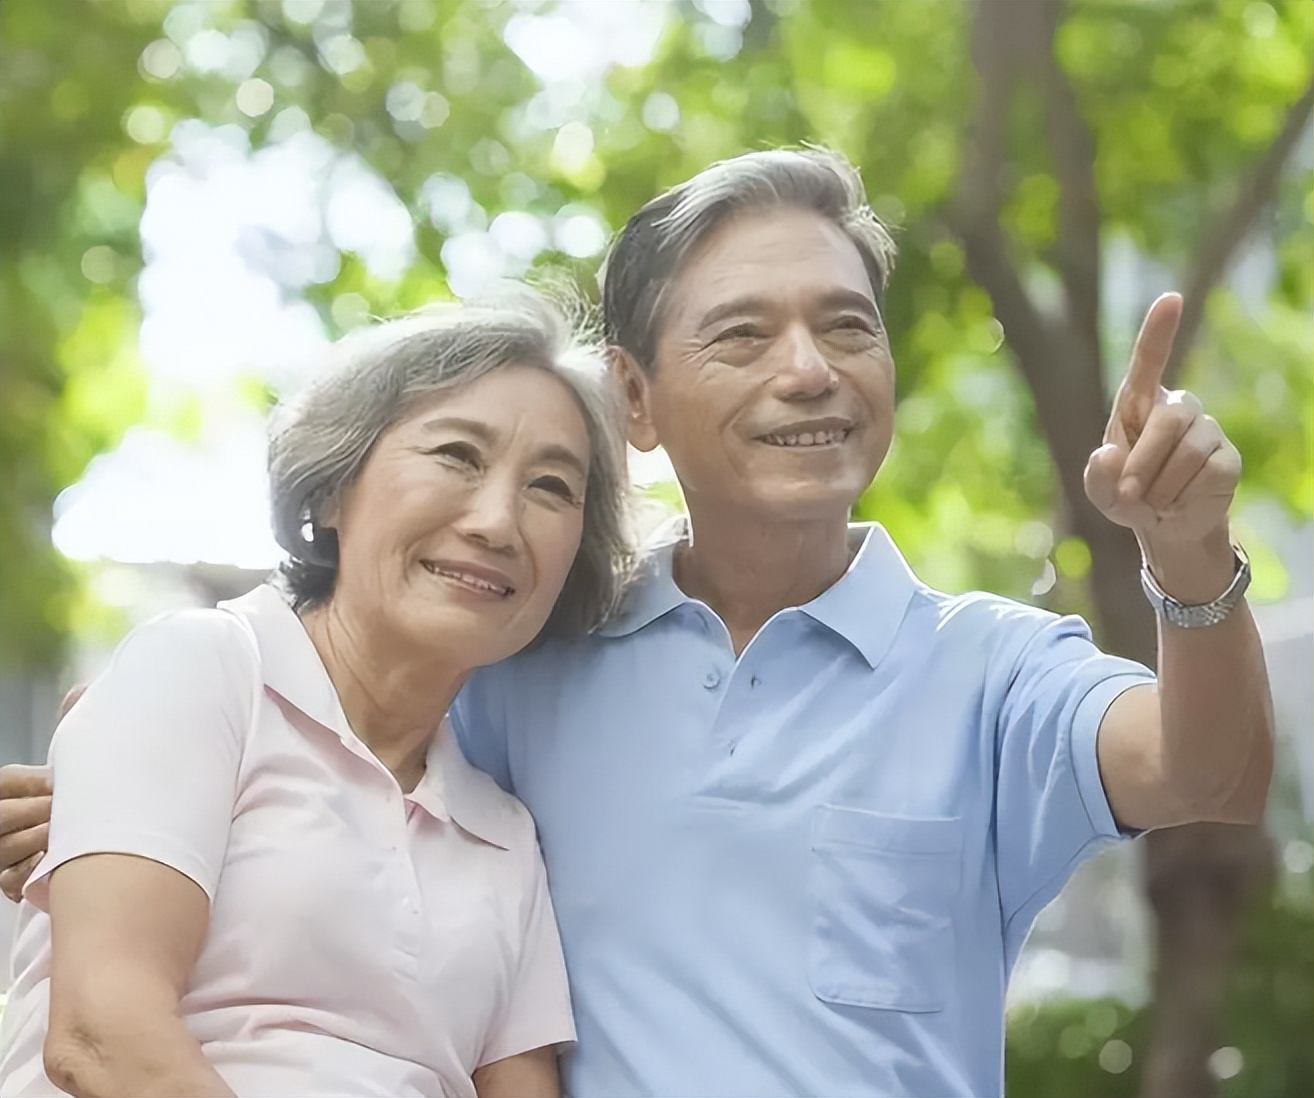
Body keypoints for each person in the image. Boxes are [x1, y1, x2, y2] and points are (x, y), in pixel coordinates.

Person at [0, 149, 1273, 1098]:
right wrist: (117, 792)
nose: (810, 369)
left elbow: (1210, 769)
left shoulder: (990, 666)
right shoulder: (526, 652)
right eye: (743, 333)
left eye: (848, 326)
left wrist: (1186, 554)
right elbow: (317, 715)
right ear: (637, 399)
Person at [0, 290, 635, 1097]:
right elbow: (102, 1035)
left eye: (550, 486)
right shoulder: (201, 669)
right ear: (334, 490)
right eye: (456, 456)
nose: (497, 521)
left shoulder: (505, 835)